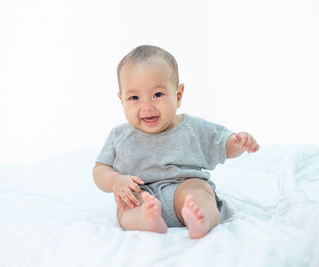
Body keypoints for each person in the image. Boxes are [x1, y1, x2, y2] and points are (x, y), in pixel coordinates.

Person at [92, 45, 259, 239]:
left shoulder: (193, 128)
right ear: (122, 100)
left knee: (198, 192)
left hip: (184, 184)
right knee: (127, 207)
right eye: (134, 98)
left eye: (157, 95)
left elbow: (223, 145)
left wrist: (237, 142)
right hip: (141, 191)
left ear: (178, 95)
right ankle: (146, 220)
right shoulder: (119, 136)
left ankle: (200, 218)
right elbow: (100, 169)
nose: (147, 106)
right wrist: (115, 181)